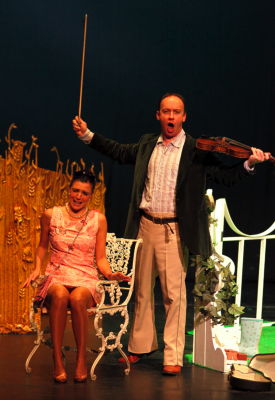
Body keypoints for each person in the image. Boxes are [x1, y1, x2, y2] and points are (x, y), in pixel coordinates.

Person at [72, 93, 270, 376]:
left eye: (176, 112)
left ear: (184, 116)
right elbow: (116, 150)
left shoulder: (195, 150)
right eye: (166, 112)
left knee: (173, 296)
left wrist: (249, 163)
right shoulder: (145, 145)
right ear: (158, 115)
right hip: (146, 225)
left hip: (175, 229)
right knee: (141, 291)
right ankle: (139, 346)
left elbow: (225, 176)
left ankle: (172, 354)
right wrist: (87, 135)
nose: (171, 117)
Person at [23, 170, 130, 383]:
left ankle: (81, 360)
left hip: (85, 276)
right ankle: (57, 359)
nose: (78, 196)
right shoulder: (50, 214)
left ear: (90, 196)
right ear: (69, 190)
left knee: (78, 298)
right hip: (57, 274)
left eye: (84, 193)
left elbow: (100, 258)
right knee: (61, 296)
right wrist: (36, 269)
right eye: (75, 191)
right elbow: (42, 246)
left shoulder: (98, 219)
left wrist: (109, 274)